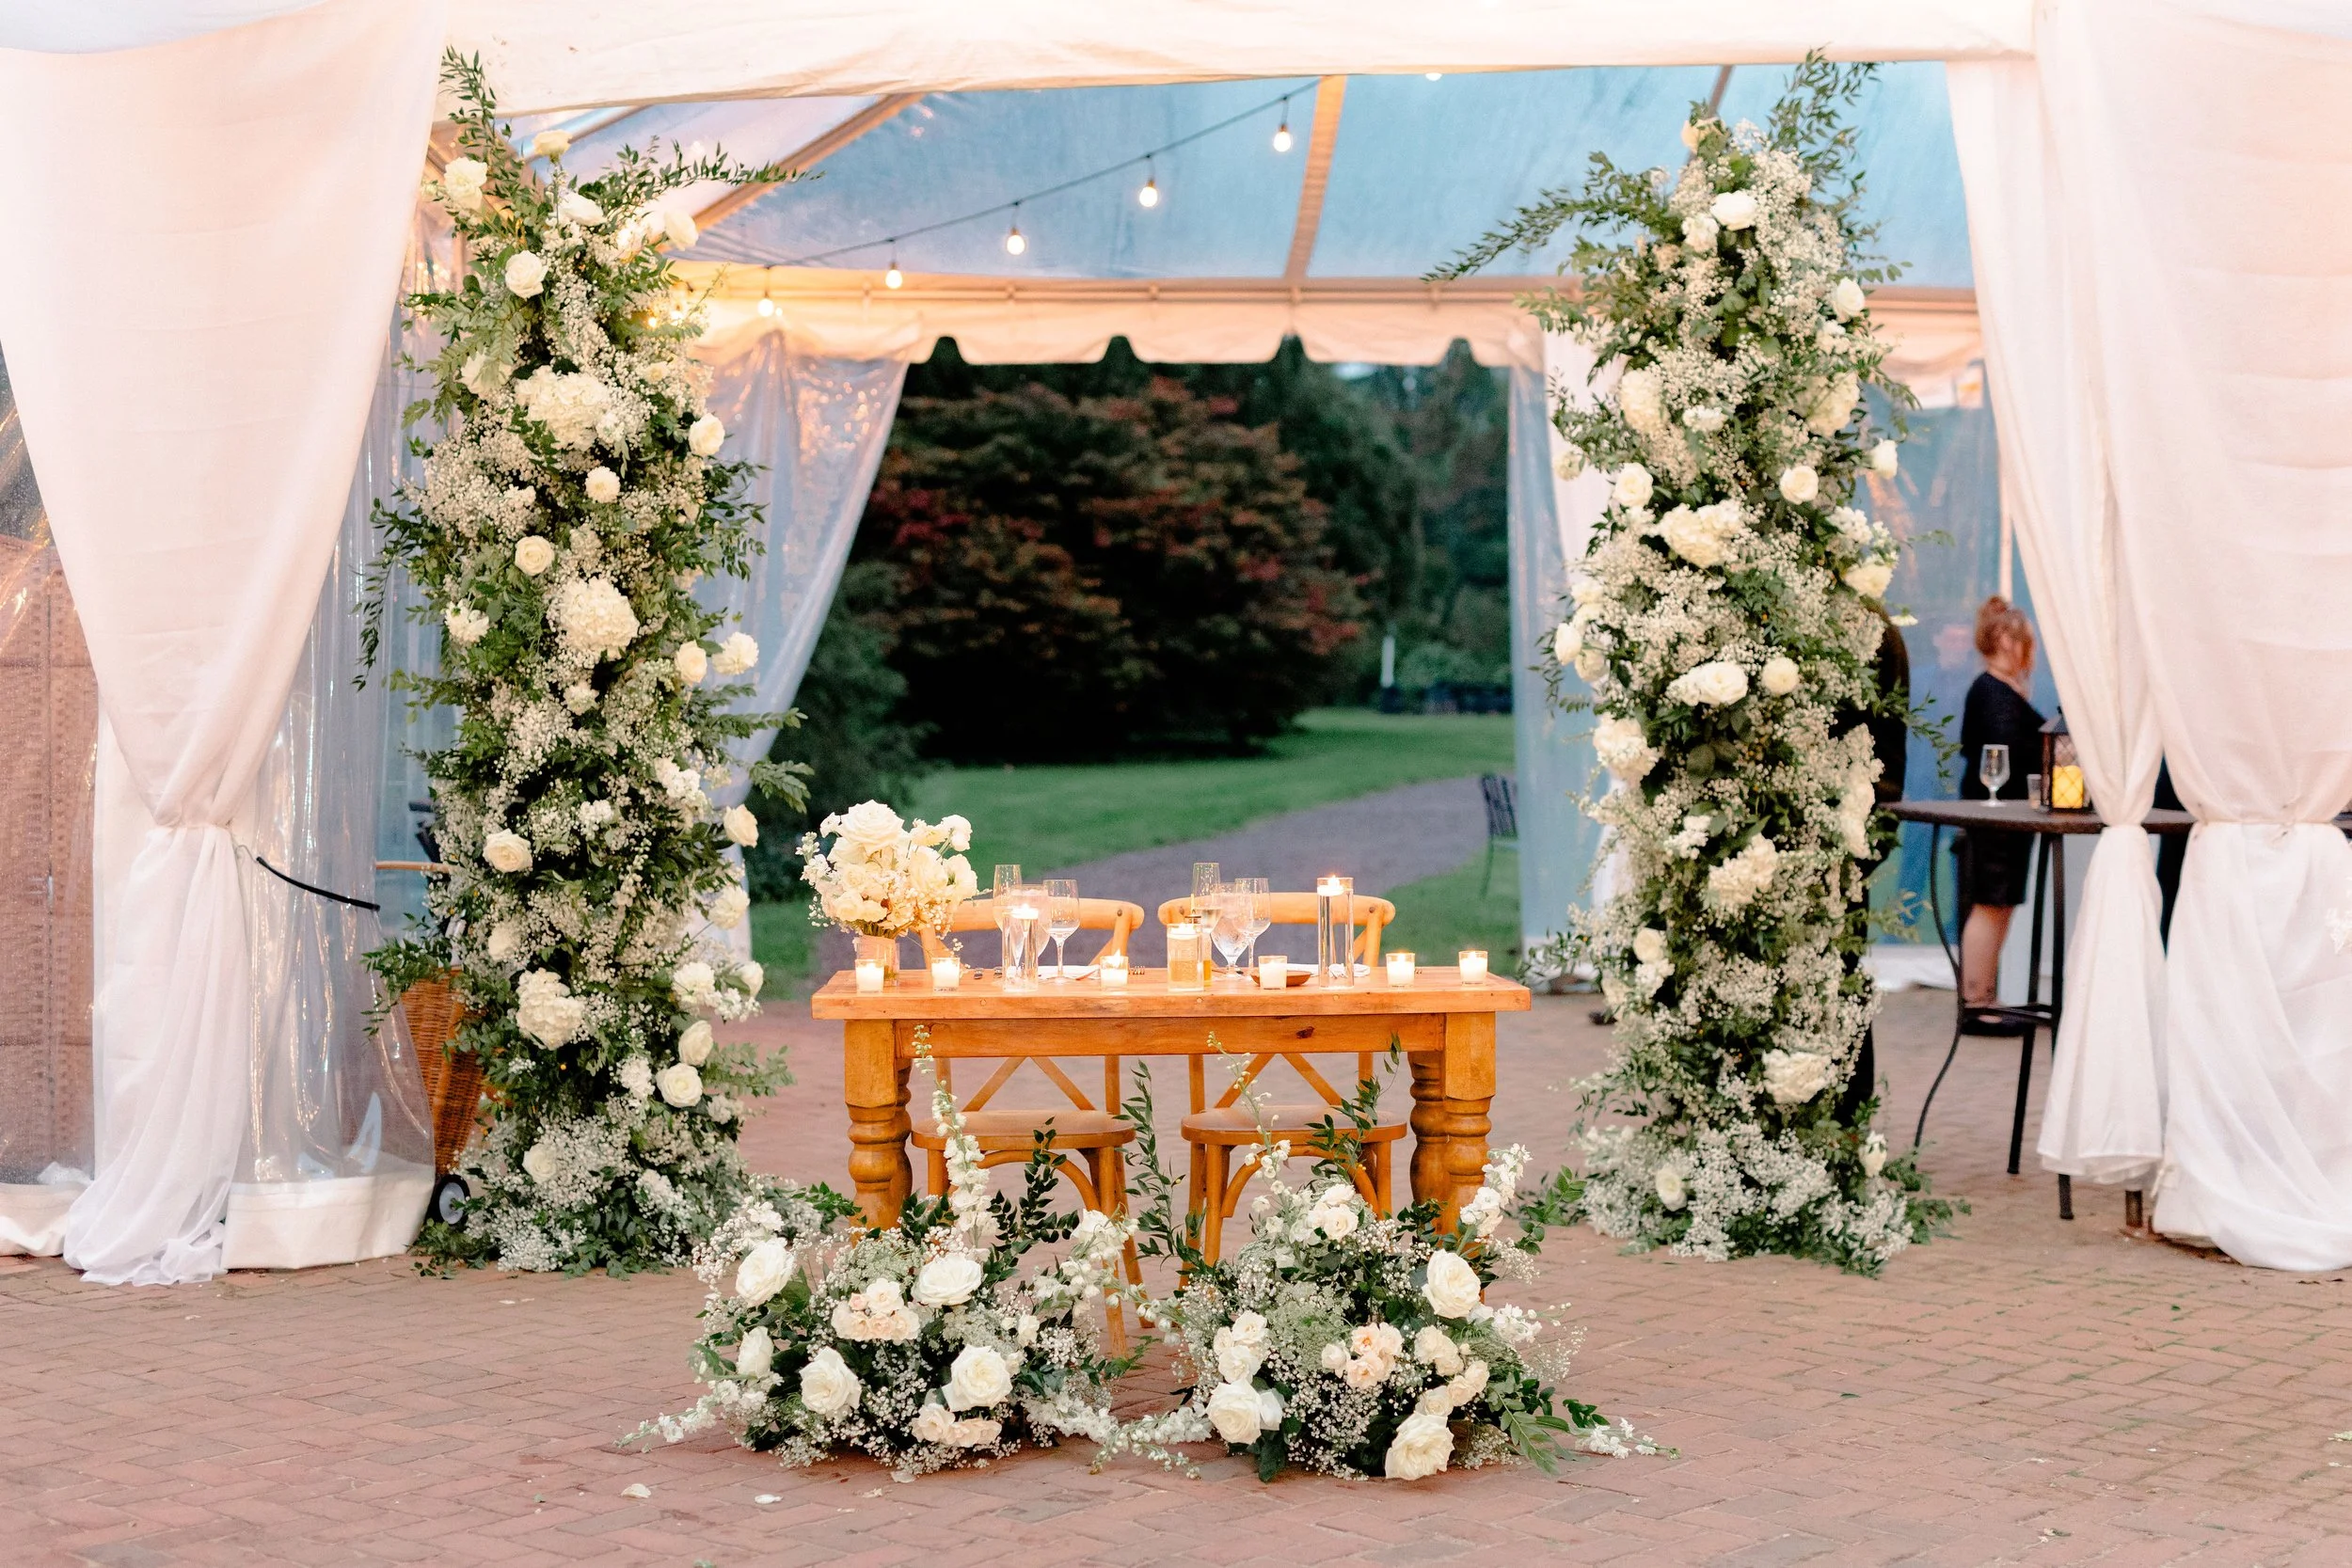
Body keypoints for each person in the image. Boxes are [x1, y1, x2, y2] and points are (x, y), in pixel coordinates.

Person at [1955, 595, 2044, 1008]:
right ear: (2008, 642)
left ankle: (1984, 996)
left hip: (2009, 818)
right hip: (1995, 819)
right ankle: (1976, 999)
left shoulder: (2000, 689)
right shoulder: (1992, 691)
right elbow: (2002, 751)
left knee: (2000, 904)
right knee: (1990, 904)